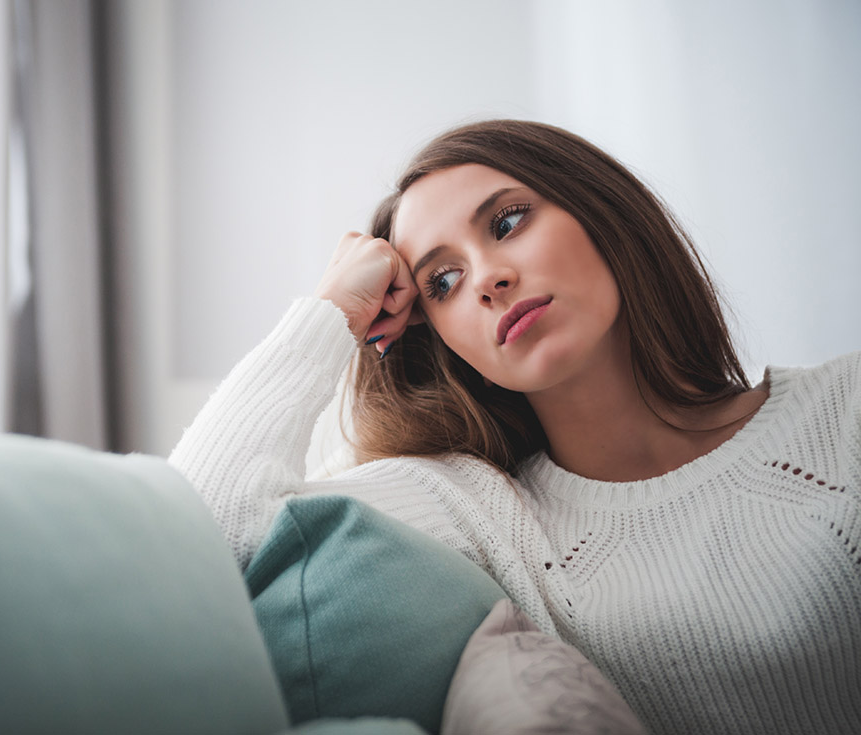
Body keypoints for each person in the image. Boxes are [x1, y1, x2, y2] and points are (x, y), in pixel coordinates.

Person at [168, 119, 860, 735]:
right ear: (441, 340)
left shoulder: (844, 409)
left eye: (506, 222)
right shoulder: (480, 510)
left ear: (600, 211)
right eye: (441, 281)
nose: (487, 279)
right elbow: (197, 545)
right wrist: (328, 314)